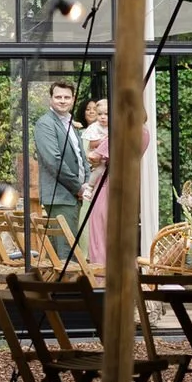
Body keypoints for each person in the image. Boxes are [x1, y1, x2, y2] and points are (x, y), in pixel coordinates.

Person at [28, 80, 88, 246]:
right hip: (60, 196)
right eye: (58, 97)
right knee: (65, 252)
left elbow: (81, 156)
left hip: (75, 196)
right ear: (51, 99)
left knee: (71, 249)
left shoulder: (70, 123)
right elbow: (54, 161)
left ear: (73, 99)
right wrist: (78, 187)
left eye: (67, 97)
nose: (62, 101)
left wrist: (87, 182)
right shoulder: (45, 123)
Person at [81, 97, 111, 267]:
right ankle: (90, 187)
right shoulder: (95, 128)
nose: (102, 117)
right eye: (100, 114)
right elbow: (93, 150)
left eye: (106, 114)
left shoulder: (114, 128)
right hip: (100, 167)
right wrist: (105, 140)